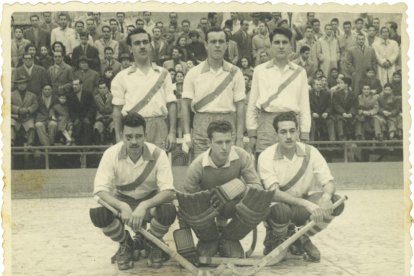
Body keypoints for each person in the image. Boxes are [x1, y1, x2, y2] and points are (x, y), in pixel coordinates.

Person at [89, 112, 176, 270]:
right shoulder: (111, 154)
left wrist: (144, 206)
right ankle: (126, 243)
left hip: (150, 203)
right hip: (123, 201)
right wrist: (121, 206)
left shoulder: (159, 154)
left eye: (138, 136)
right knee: (99, 214)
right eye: (129, 137)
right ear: (122, 135)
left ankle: (151, 243)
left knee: (168, 210)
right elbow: (100, 191)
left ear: (145, 135)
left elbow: (169, 191)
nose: (134, 141)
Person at [175, 120, 273, 258]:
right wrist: (186, 244)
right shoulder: (197, 166)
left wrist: (239, 186)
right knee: (203, 255)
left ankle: (229, 238)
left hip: (232, 209)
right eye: (219, 142)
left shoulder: (242, 156)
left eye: (228, 141)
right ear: (209, 143)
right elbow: (185, 205)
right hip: (208, 212)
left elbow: (258, 190)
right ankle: (210, 240)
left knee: (259, 204)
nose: (225, 147)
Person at [257, 112, 344, 262]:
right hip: (278, 208)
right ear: (276, 134)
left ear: (298, 131)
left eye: (292, 131)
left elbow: (328, 181)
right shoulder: (266, 155)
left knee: (336, 203)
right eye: (283, 132)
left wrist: (326, 197)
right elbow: (275, 193)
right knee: (281, 210)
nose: (289, 136)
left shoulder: (311, 152)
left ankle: (300, 237)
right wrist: (307, 204)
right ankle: (278, 238)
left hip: (301, 208)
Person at [182, 27, 246, 158]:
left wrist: (239, 138)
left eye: (221, 41)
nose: (217, 45)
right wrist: (187, 135)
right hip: (201, 126)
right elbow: (185, 105)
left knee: (229, 170)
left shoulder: (236, 72)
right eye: (213, 41)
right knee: (201, 169)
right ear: (206, 45)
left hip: (227, 125)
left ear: (227, 45)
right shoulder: (193, 73)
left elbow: (240, 107)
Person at [246, 27, 311, 155]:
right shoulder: (260, 70)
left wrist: (304, 134)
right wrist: (252, 133)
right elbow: (252, 104)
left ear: (291, 46)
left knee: (290, 169)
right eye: (277, 42)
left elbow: (304, 105)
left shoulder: (300, 72)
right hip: (266, 126)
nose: (281, 46)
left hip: (291, 125)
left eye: (285, 42)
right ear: (270, 46)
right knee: (264, 169)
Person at [111, 28, 177, 151]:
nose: (142, 46)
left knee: (158, 167)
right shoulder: (121, 77)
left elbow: (171, 104)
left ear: (150, 46)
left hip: (159, 126)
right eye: (137, 43)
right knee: (133, 168)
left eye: (145, 42)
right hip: (132, 128)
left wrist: (172, 133)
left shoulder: (163, 73)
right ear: (130, 49)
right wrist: (118, 137)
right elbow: (117, 110)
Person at [11, 75, 39, 146]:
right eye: (20, 84)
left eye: (23, 83)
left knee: (31, 126)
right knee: (11, 124)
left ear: (26, 84)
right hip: (15, 116)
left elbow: (35, 105)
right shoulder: (11, 94)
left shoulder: (32, 95)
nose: (22, 85)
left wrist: (28, 110)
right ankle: (11, 141)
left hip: (27, 117)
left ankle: (30, 143)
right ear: (17, 85)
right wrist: (18, 109)